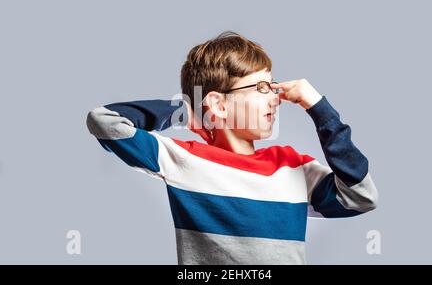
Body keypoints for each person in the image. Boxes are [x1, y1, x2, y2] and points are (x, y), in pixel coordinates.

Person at [86, 31, 378, 264]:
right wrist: (187, 109)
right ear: (217, 104)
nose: (275, 97)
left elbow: (361, 197)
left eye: (273, 86)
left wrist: (319, 108)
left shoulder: (293, 167)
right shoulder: (186, 159)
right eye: (262, 87)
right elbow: (105, 121)